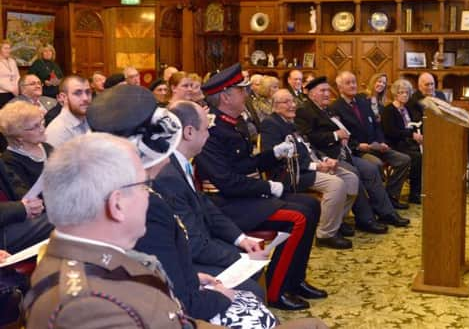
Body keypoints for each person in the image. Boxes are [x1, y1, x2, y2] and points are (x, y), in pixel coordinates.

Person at [86, 87, 285, 328]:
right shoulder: (147, 204)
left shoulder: (118, 191)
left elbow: (159, 263)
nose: (169, 158)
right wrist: (220, 293)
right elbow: (177, 297)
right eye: (163, 150)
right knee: (256, 308)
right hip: (160, 309)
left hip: (162, 288)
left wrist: (195, 277)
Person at [24, 133, 225, 328]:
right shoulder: (88, 309)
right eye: (144, 186)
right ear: (117, 205)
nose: (149, 195)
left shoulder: (98, 257)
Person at [194, 63, 326, 311]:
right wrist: (267, 186)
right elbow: (226, 182)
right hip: (226, 204)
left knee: (311, 204)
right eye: (241, 90)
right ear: (226, 97)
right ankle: (277, 291)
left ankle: (295, 280)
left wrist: (273, 154)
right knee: (298, 218)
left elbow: (246, 164)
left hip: (243, 196)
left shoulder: (234, 123)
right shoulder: (212, 131)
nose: (246, 94)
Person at [295, 76, 409, 233]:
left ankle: (387, 213)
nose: (327, 94)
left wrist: (343, 137)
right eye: (322, 91)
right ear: (312, 94)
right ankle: (365, 219)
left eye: (328, 90)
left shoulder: (325, 109)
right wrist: (336, 136)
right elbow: (308, 138)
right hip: (327, 157)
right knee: (354, 174)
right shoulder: (305, 111)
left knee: (370, 169)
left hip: (345, 152)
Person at [262, 89, 358, 249]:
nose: (292, 105)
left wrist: (325, 159)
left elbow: (308, 147)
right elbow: (274, 157)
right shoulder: (271, 124)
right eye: (286, 102)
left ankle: (333, 222)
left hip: (310, 166)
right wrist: (316, 166)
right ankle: (325, 235)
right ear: (275, 106)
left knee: (351, 180)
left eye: (292, 101)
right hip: (292, 174)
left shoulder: (291, 123)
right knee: (336, 185)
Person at [331, 71, 411, 209]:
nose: (352, 85)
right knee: (376, 164)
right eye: (348, 83)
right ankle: (378, 203)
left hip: (376, 145)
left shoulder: (363, 102)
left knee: (404, 160)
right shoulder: (335, 108)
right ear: (340, 88)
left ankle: (390, 196)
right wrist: (358, 146)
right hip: (359, 151)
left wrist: (381, 141)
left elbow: (376, 125)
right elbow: (341, 135)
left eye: (354, 82)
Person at [407, 72, 469, 181]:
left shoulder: (440, 94)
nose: (430, 87)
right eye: (427, 85)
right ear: (419, 86)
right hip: (430, 130)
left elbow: (448, 111)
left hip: (448, 125)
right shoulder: (414, 100)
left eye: (432, 84)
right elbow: (419, 120)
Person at [381, 79, 424, 204]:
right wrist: (411, 134)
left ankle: (421, 190)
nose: (404, 95)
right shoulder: (389, 110)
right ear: (395, 94)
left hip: (408, 142)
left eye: (406, 92)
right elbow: (391, 132)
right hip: (395, 144)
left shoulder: (406, 109)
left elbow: (412, 127)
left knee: (427, 153)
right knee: (417, 157)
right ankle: (414, 194)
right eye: (401, 92)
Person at [0, 155, 52, 255]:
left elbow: (15, 184)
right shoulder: (11, 159)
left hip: (10, 219)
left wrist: (31, 204)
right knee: (61, 220)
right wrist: (21, 208)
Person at [0, 101, 53, 187]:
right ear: (18, 136)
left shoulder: (47, 147)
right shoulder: (10, 161)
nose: (42, 129)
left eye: (41, 123)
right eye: (35, 127)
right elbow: (25, 196)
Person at [44, 75, 92, 147]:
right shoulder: (57, 131)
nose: (85, 98)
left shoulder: (90, 120)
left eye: (88, 92)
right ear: (63, 97)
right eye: (77, 93)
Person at [0, 40, 19, 108]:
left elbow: (17, 76)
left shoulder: (12, 61)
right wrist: (12, 89)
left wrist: (17, 87)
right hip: (2, 94)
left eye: (9, 48)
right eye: (5, 48)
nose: (8, 50)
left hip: (14, 93)